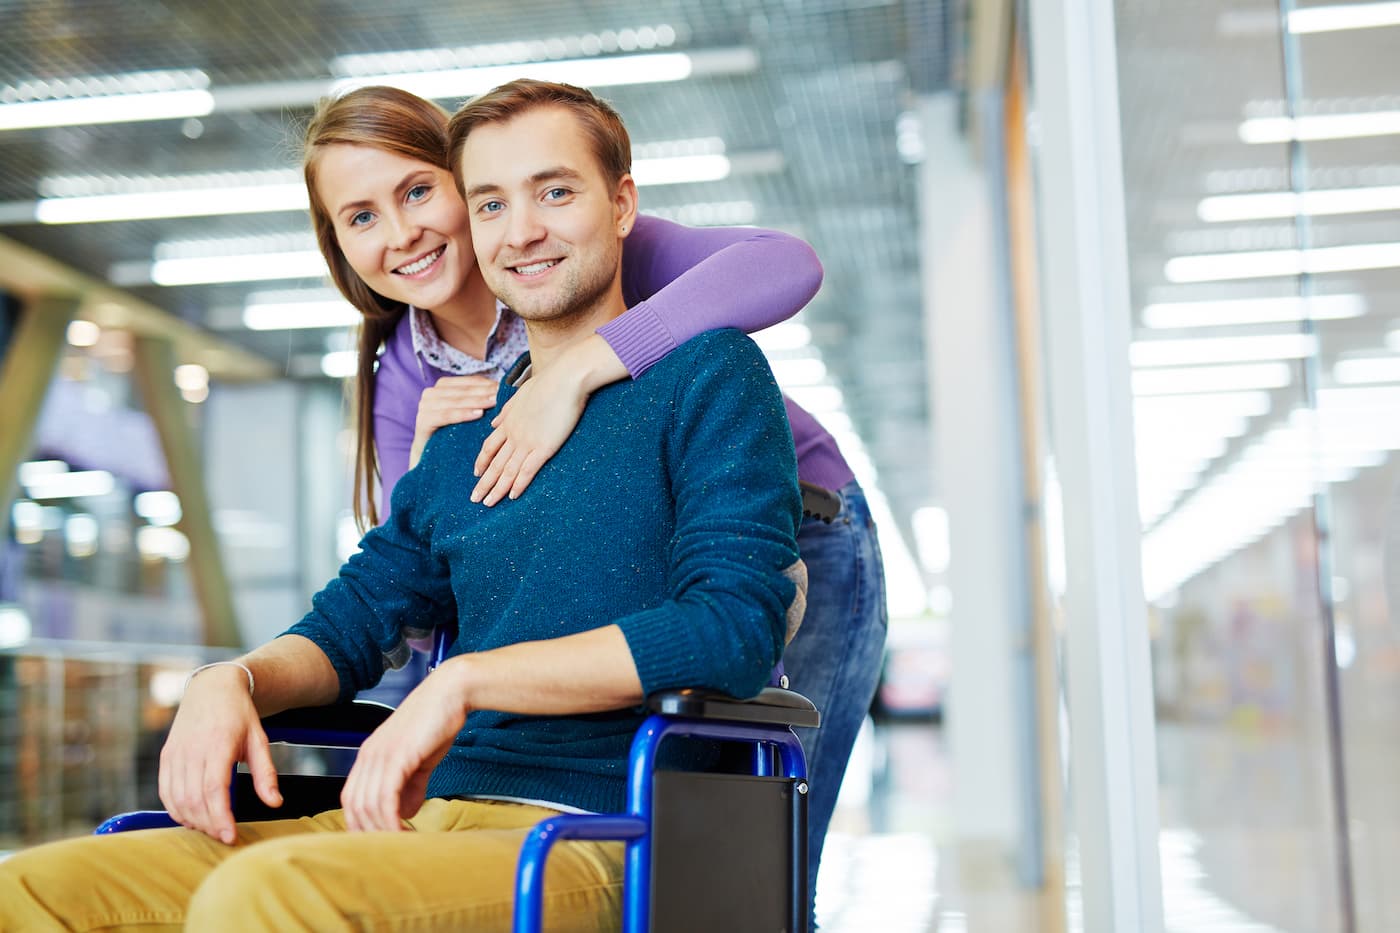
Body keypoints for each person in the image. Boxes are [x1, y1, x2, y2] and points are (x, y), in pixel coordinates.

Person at [0, 79, 803, 932]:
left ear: (622, 204)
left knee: (264, 897)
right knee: (33, 890)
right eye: (491, 203)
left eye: (555, 192)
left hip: (593, 829)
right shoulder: (455, 436)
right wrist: (228, 678)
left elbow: (734, 627)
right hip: (418, 815)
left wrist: (466, 681)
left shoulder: (708, 373)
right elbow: (352, 622)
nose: (522, 230)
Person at [307, 86, 888, 907]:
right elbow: (424, 571)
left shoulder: (599, 252)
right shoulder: (407, 368)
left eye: (416, 192)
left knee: (756, 847)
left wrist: (580, 369)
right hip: (613, 609)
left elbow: (788, 264)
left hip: (800, 527)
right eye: (360, 217)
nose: (403, 233)